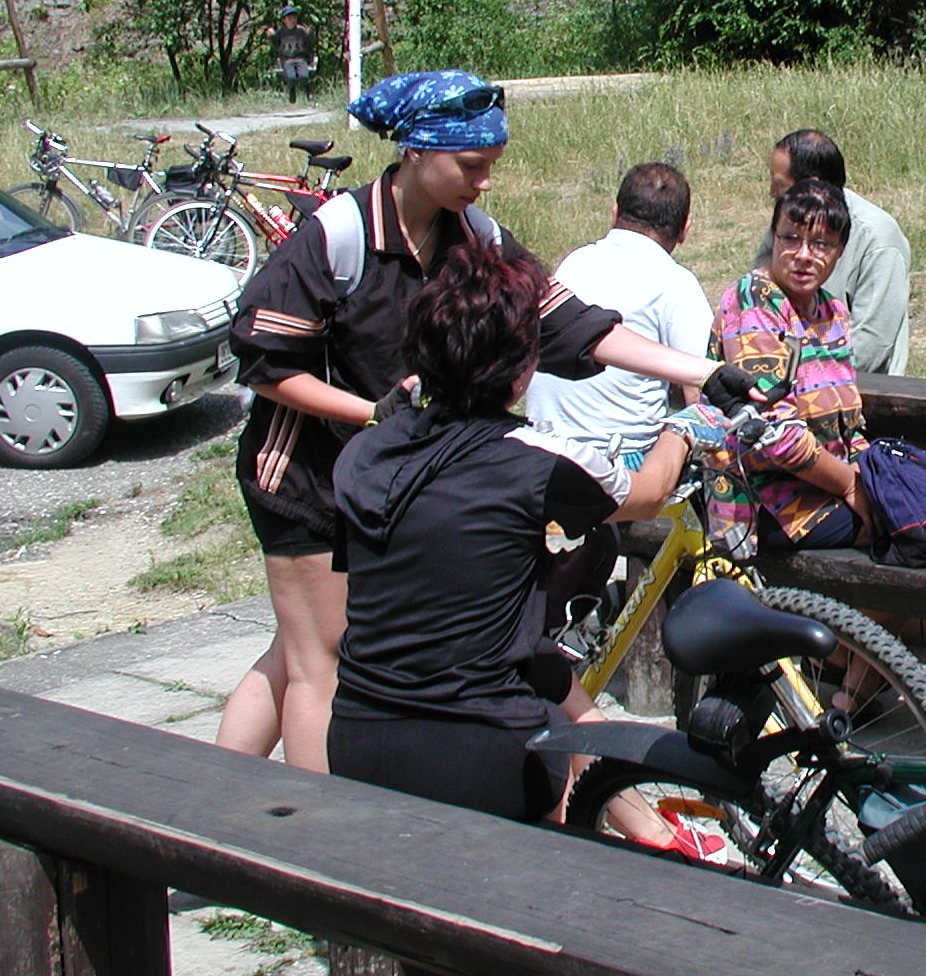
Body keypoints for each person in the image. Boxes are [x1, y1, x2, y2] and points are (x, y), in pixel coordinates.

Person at [218, 70, 763, 772]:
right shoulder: (339, 234)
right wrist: (370, 412)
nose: (485, 183)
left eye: (491, 166)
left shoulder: (473, 234)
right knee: (321, 660)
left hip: (382, 464)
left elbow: (569, 322)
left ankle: (214, 798)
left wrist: (700, 372)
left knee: (295, 648)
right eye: (472, 166)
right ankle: (317, 828)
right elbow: (265, 364)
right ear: (417, 150)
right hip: (305, 474)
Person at [328, 242, 723, 828]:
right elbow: (647, 492)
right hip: (481, 751)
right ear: (520, 374)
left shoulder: (364, 452)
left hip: (356, 737)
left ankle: (651, 831)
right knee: (560, 742)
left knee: (552, 676)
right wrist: (685, 427)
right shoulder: (537, 460)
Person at [716, 179, 872, 557]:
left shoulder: (832, 311)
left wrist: (871, 477)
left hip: (826, 488)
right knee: (908, 534)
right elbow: (772, 432)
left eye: (821, 244)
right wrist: (851, 486)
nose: (804, 255)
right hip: (763, 501)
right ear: (773, 238)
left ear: (840, 250)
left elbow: (850, 425)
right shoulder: (753, 301)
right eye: (790, 239)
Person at [526, 162, 713, 464]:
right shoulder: (676, 282)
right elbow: (700, 387)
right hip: (618, 457)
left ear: (614, 214)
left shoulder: (575, 261)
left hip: (541, 446)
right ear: (684, 230)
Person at [755, 130, 911, 373]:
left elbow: (871, 342)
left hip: (860, 385)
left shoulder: (877, 237)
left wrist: (807, 377)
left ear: (811, 185)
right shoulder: (787, 221)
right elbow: (759, 299)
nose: (772, 193)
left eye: (779, 184)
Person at [265, 6, 317, 104]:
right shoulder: (281, 32)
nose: (292, 20)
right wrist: (271, 36)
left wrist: (310, 34)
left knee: (304, 75)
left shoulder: (301, 30)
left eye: (294, 18)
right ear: (284, 20)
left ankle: (308, 91)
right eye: (289, 18)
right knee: (291, 77)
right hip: (287, 59)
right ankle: (292, 90)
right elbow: (276, 43)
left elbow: (310, 43)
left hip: (300, 58)